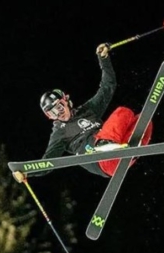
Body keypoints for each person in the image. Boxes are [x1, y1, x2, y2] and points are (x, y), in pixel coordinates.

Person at [38, 43, 152, 178]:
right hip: (99, 159)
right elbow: (47, 162)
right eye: (53, 113)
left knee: (142, 119)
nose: (59, 113)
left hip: (119, 156)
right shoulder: (59, 133)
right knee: (122, 112)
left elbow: (107, 87)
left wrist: (104, 60)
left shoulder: (88, 110)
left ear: (66, 100)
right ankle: (104, 146)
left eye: (59, 107)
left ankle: (132, 150)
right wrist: (25, 171)